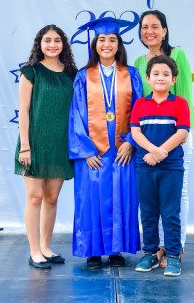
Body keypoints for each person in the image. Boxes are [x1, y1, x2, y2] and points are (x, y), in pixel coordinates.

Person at [69, 17, 142, 269]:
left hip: (122, 150)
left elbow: (139, 111)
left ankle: (115, 250)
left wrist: (132, 141)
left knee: (121, 197)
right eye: (102, 40)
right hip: (93, 151)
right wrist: (86, 150)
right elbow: (76, 114)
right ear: (95, 44)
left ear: (119, 44)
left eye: (112, 40)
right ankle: (92, 250)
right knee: (90, 198)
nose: (107, 44)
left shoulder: (131, 74)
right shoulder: (83, 76)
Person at [134, 9, 194, 267]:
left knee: (176, 195)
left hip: (176, 138)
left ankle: (175, 248)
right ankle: (157, 248)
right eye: (145, 26)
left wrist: (175, 141)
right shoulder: (138, 62)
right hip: (148, 143)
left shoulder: (177, 55)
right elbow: (139, 102)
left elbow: (183, 98)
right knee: (150, 201)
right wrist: (146, 145)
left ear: (165, 30)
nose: (150, 31)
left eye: (155, 26)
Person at [14, 24, 78, 269]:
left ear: (64, 45)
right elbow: (24, 111)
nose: (52, 44)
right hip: (35, 143)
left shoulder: (71, 73)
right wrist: (26, 146)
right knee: (35, 197)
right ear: (39, 44)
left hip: (60, 144)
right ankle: (34, 251)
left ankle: (46, 247)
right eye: (47, 40)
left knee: (51, 198)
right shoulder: (31, 71)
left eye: (57, 40)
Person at [131, 55, 190, 276]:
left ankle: (173, 255)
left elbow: (182, 132)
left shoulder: (180, 104)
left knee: (170, 212)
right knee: (148, 212)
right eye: (155, 74)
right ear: (148, 77)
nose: (160, 78)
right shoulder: (140, 104)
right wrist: (152, 152)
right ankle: (151, 253)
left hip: (171, 167)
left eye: (166, 74)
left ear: (173, 79)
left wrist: (159, 153)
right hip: (145, 166)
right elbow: (136, 132)